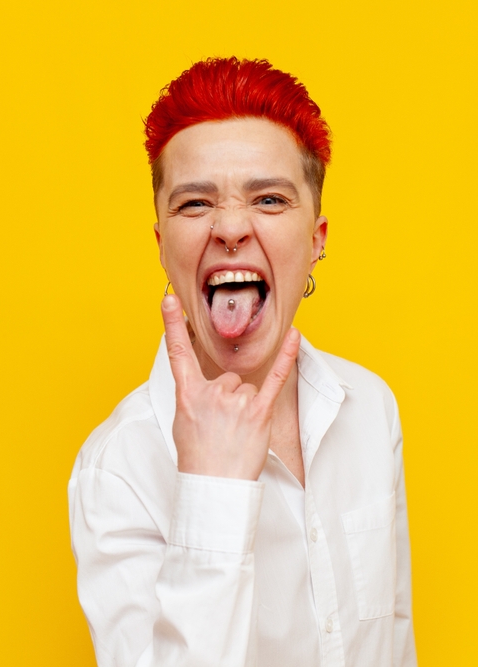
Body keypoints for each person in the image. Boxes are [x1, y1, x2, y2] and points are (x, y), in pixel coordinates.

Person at [68, 57, 417, 667]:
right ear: (161, 245)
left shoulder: (370, 410)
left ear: (317, 239)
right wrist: (212, 488)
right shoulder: (117, 467)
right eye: (195, 204)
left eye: (270, 199)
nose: (230, 226)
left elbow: (394, 639)